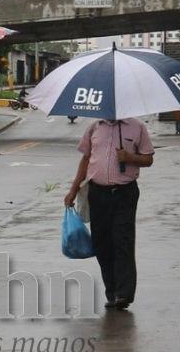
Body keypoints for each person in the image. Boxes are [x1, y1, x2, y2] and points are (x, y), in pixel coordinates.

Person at [63, 116, 154, 310]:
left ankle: (124, 293)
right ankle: (112, 292)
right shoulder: (94, 127)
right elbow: (86, 159)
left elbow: (148, 159)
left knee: (123, 240)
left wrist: (129, 158)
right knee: (102, 243)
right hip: (97, 193)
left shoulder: (137, 127)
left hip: (125, 193)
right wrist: (73, 189)